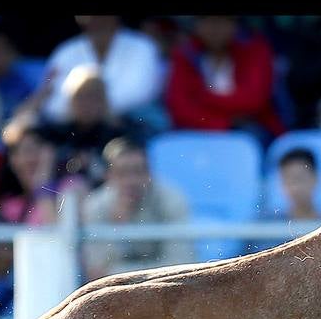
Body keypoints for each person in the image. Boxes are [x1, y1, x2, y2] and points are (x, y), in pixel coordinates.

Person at [81, 136, 193, 279]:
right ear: (108, 176)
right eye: (122, 173)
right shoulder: (95, 206)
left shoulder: (172, 199)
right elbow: (96, 272)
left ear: (149, 173)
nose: (131, 181)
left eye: (138, 171)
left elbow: (181, 266)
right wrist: (118, 226)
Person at [165, 15, 286, 141]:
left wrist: (203, 97)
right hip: (199, 129)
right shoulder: (185, 54)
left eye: (222, 22)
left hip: (250, 129)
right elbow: (178, 107)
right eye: (208, 22)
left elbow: (254, 100)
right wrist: (223, 122)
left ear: (235, 25)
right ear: (196, 25)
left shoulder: (255, 49)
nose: (215, 29)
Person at [38, 15, 163, 126]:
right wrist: (90, 108)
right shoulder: (65, 51)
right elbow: (51, 104)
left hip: (129, 126)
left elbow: (140, 94)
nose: (98, 20)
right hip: (74, 128)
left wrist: (86, 106)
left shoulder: (143, 46)